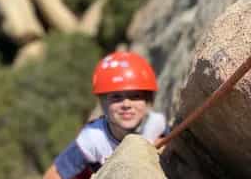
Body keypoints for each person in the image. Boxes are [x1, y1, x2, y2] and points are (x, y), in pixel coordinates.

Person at [43, 51, 167, 179]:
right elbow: (54, 175)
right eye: (116, 97)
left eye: (135, 96)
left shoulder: (158, 127)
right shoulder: (93, 139)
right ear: (102, 103)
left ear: (147, 100)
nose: (126, 104)